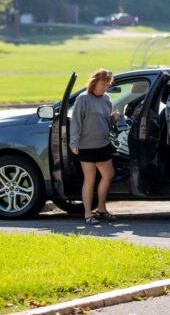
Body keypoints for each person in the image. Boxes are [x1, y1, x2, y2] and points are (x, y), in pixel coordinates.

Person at [70, 68, 120, 224]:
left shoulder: (107, 99)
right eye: (103, 84)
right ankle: (87, 214)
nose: (105, 87)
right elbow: (76, 122)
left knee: (108, 175)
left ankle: (101, 209)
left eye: (107, 85)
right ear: (95, 82)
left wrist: (113, 119)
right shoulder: (83, 99)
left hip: (103, 144)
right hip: (86, 146)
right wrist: (74, 142)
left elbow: (105, 123)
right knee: (90, 179)